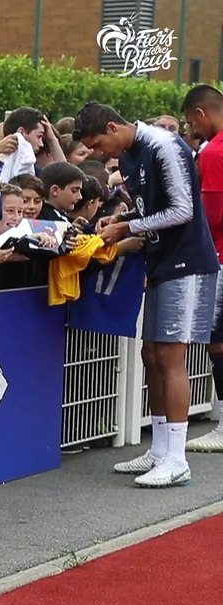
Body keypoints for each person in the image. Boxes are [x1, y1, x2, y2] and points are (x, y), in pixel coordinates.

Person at [77, 101, 220, 487]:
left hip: (188, 263)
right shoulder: (131, 155)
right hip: (160, 262)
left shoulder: (164, 146)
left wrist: (128, 228)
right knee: (152, 353)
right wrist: (122, 219)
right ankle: (159, 450)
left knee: (171, 356)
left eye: (98, 144)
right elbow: (150, 207)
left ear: (112, 126)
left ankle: (177, 457)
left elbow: (183, 210)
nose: (99, 154)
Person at [181, 84, 223, 452]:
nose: (190, 132)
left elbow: (211, 215)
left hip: (221, 259)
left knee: (219, 343)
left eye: (189, 123)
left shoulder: (213, 153)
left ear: (199, 114)